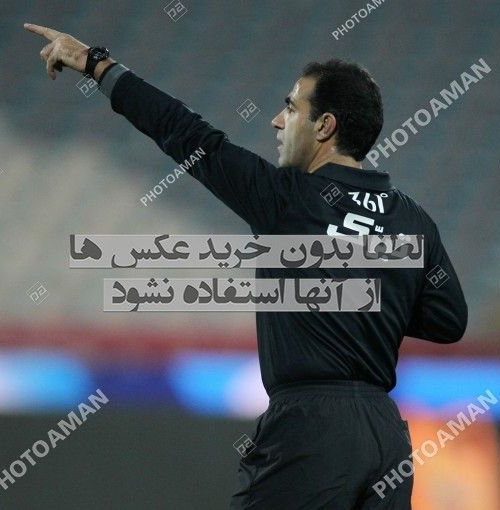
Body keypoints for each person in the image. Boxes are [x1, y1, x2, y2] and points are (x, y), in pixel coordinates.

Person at [24, 23, 468, 509]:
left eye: (291, 108)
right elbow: (449, 321)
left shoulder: (288, 200)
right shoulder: (412, 219)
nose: (277, 122)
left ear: (325, 126)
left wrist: (96, 65)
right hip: (386, 441)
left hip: (310, 432)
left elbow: (186, 134)